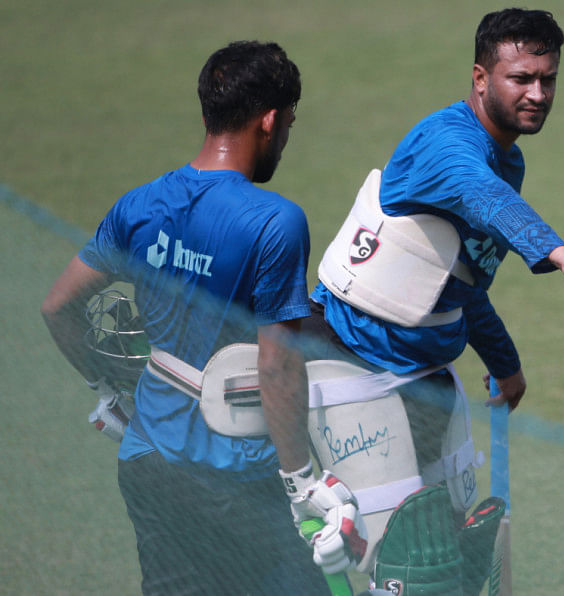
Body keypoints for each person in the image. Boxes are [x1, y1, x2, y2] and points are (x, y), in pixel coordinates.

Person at [302, 8, 564, 592]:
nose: (538, 93)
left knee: (446, 558)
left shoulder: (508, 159)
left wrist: (505, 364)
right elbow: (485, 198)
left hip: (424, 380)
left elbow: (460, 284)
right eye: (520, 78)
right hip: (352, 369)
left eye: (547, 79)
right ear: (480, 78)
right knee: (402, 568)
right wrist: (561, 254)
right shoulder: (444, 144)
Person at [41, 41, 365, 595]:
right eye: (288, 124)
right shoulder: (274, 222)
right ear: (270, 121)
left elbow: (58, 307)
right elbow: (277, 368)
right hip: (240, 479)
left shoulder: (138, 205)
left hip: (149, 464)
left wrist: (106, 387)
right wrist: (300, 483)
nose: (285, 139)